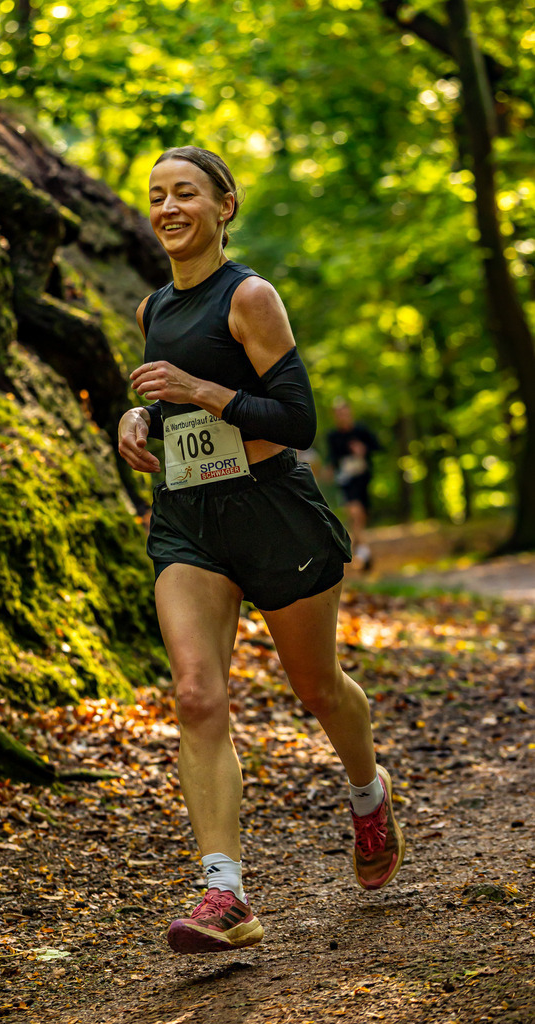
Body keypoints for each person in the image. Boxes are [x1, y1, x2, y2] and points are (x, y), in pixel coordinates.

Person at [117, 146, 404, 955]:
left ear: (224, 205)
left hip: (272, 511)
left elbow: (297, 418)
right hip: (187, 520)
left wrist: (202, 393)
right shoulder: (151, 308)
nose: (168, 208)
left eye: (186, 194)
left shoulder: (248, 296)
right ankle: (224, 893)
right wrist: (133, 420)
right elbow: (160, 398)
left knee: (316, 686)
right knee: (197, 694)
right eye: (156, 196)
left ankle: (367, 796)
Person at [326, 401, 381, 571]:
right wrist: (330, 468)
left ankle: (359, 549)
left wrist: (363, 449)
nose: (342, 416)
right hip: (346, 481)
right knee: (354, 511)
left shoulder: (361, 430)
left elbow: (378, 446)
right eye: (339, 414)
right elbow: (332, 458)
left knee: (360, 516)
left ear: (350, 413)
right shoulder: (333, 436)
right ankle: (364, 553)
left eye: (345, 412)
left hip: (363, 479)